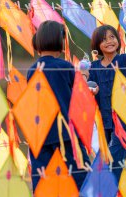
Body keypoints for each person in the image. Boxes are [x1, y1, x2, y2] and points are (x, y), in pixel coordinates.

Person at [27, 20, 90, 191]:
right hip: (66, 133)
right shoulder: (66, 67)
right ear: (60, 41)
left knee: (44, 180)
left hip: (41, 133)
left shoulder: (32, 69)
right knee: (80, 177)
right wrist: (84, 76)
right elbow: (80, 94)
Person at [89, 24, 126, 180]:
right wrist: (91, 88)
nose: (109, 41)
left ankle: (108, 187)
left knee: (116, 157)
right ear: (97, 45)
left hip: (123, 119)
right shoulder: (94, 67)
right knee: (103, 157)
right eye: (104, 39)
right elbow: (90, 87)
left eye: (112, 37)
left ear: (118, 40)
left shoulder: (125, 59)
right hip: (103, 119)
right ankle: (104, 187)